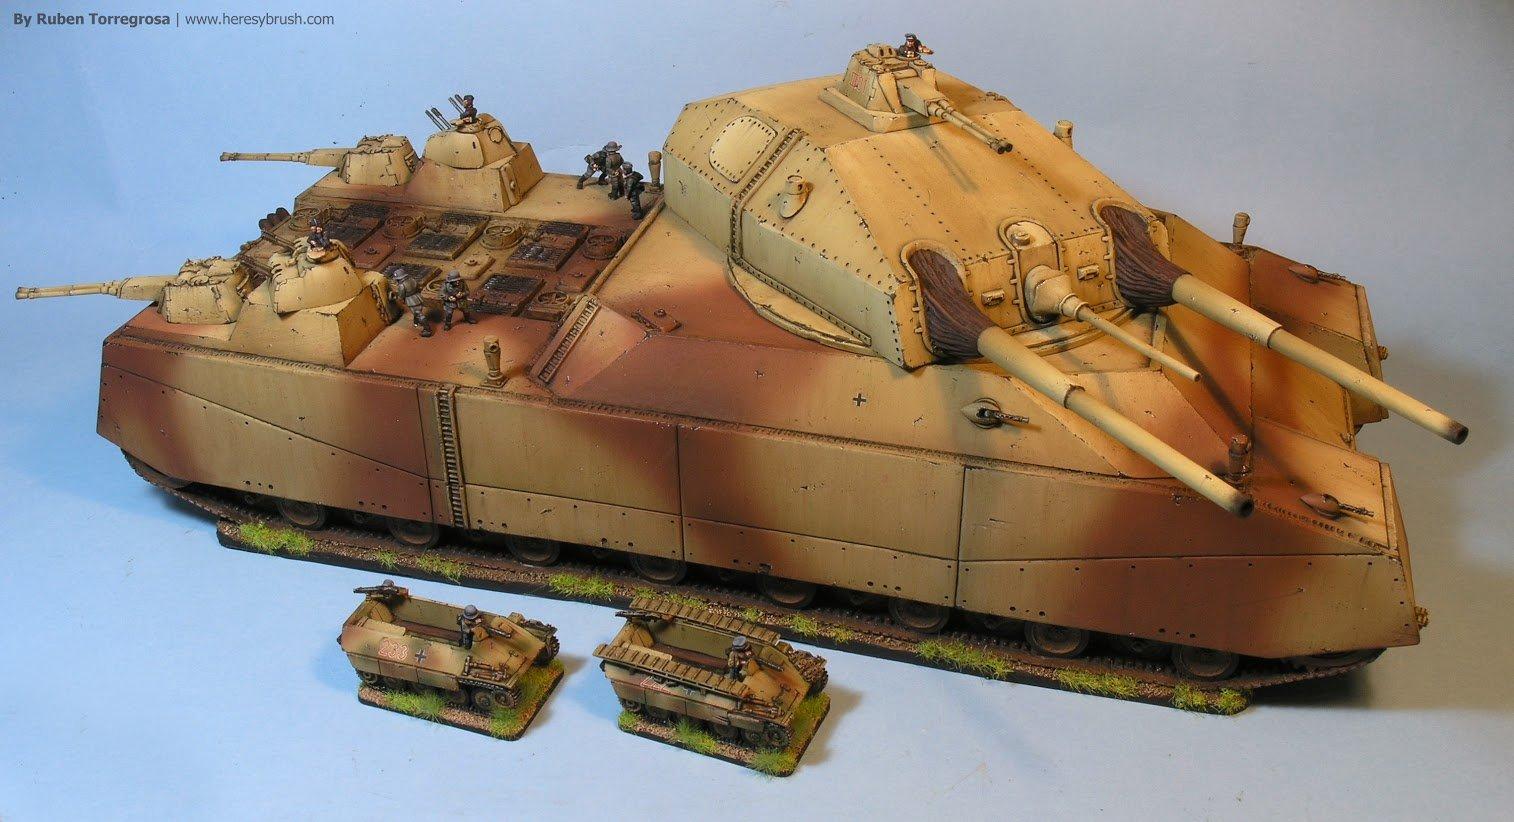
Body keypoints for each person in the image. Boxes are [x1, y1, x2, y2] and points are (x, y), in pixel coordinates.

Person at [389, 268, 432, 338]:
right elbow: (418, 287)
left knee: (419, 314)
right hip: (418, 297)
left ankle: (427, 330)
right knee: (417, 313)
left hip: (411, 301)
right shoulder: (412, 279)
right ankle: (416, 322)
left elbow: (401, 296)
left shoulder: (401, 285)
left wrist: (394, 298)